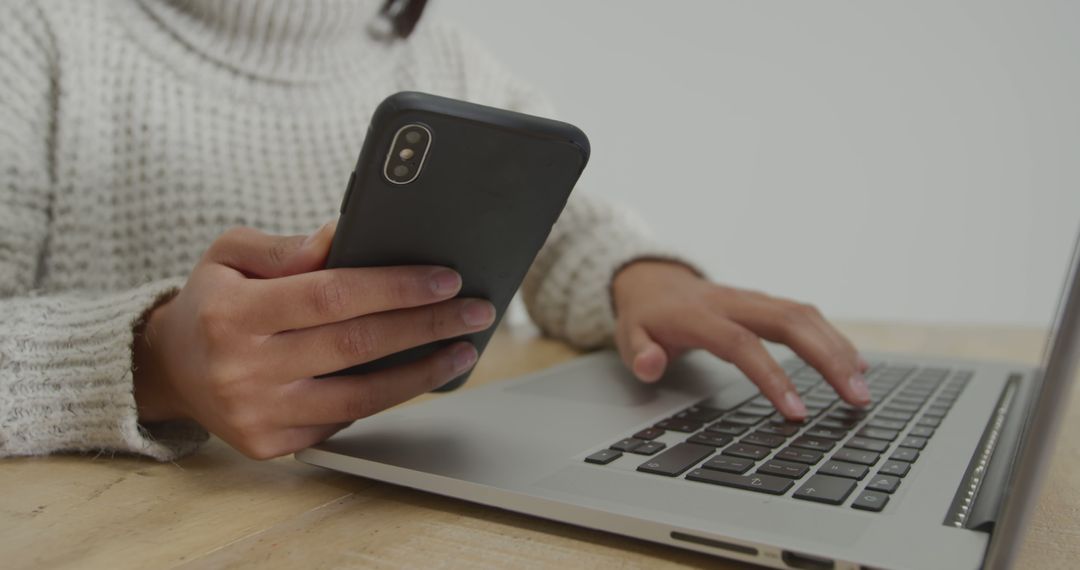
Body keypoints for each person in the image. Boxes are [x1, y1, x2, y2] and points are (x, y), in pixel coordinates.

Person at [0, 0, 870, 462]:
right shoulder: (35, 33)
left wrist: (642, 277)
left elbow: (562, 229)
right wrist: (148, 363)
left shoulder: (448, 62)